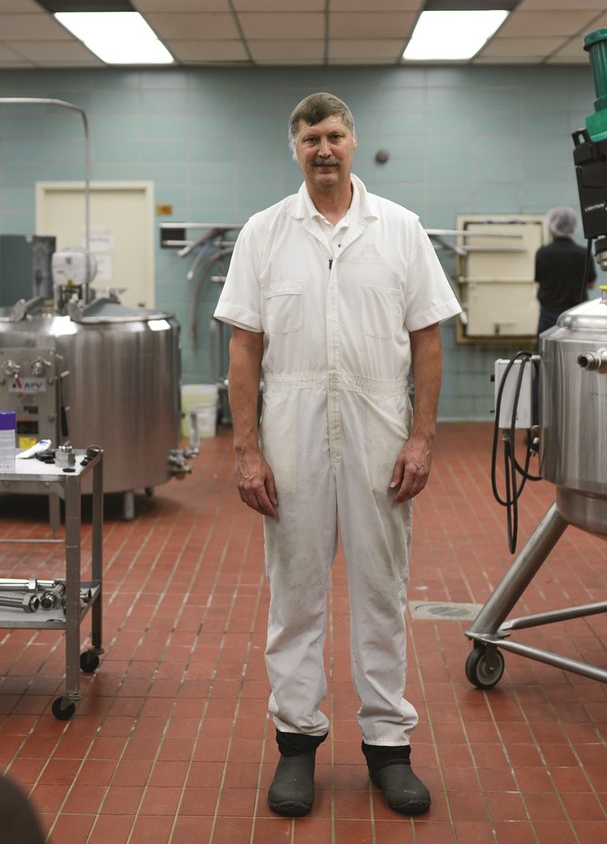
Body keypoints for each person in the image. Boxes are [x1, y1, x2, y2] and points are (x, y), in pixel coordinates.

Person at [214, 92, 461, 819]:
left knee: (382, 591)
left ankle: (388, 750)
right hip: (290, 429)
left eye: (335, 136)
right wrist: (247, 451)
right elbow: (244, 349)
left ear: (354, 143)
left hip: (379, 423)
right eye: (311, 138)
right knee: (295, 593)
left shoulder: (401, 230)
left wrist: (421, 437)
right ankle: (297, 744)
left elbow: (427, 340)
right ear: (294, 148)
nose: (324, 148)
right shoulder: (263, 234)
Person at [534, 205, 596, 335]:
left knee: (547, 352)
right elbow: (591, 284)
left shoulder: (542, 253)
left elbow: (540, 282)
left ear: (552, 227)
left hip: (549, 315)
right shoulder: (583, 253)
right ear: (573, 227)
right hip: (575, 315)